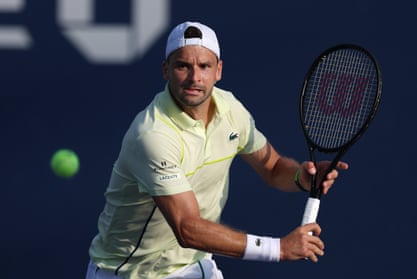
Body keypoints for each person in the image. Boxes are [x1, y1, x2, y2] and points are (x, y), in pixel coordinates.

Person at [85, 21, 349, 279]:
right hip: (130, 273)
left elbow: (273, 168)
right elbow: (188, 229)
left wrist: (300, 177)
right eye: (182, 66)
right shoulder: (153, 136)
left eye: (204, 66)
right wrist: (278, 249)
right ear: (166, 70)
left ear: (218, 70)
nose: (194, 77)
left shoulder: (231, 109)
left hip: (196, 265)